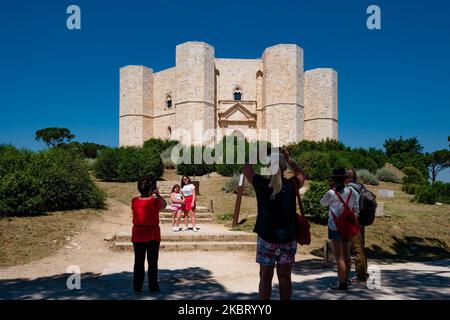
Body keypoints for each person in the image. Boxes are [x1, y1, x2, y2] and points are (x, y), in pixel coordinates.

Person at [244, 149, 306, 300]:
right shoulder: (292, 185)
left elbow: (247, 169)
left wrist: (257, 155)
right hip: (288, 238)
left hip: (266, 237)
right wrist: (289, 159)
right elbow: (301, 174)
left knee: (265, 277)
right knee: (285, 277)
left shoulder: (261, 184)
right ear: (284, 168)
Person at [320, 168, 360, 291]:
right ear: (345, 179)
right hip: (348, 226)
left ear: (333, 179)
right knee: (347, 256)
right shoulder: (353, 192)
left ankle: (341, 283)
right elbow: (356, 209)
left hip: (334, 227)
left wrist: (331, 189)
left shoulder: (331, 193)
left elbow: (323, 203)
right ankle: (346, 279)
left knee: (339, 258)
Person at [131, 176, 167, 294]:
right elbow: (164, 205)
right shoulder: (155, 201)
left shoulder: (134, 201)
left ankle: (137, 286)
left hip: (138, 234)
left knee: (138, 262)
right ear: (151, 189)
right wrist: (158, 195)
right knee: (152, 262)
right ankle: (153, 286)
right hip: (152, 233)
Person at [345, 169, 369, 284]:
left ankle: (361, 277)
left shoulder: (349, 189)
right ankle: (364, 272)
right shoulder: (360, 187)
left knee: (357, 249)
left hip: (354, 221)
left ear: (348, 178)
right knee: (361, 247)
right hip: (361, 221)